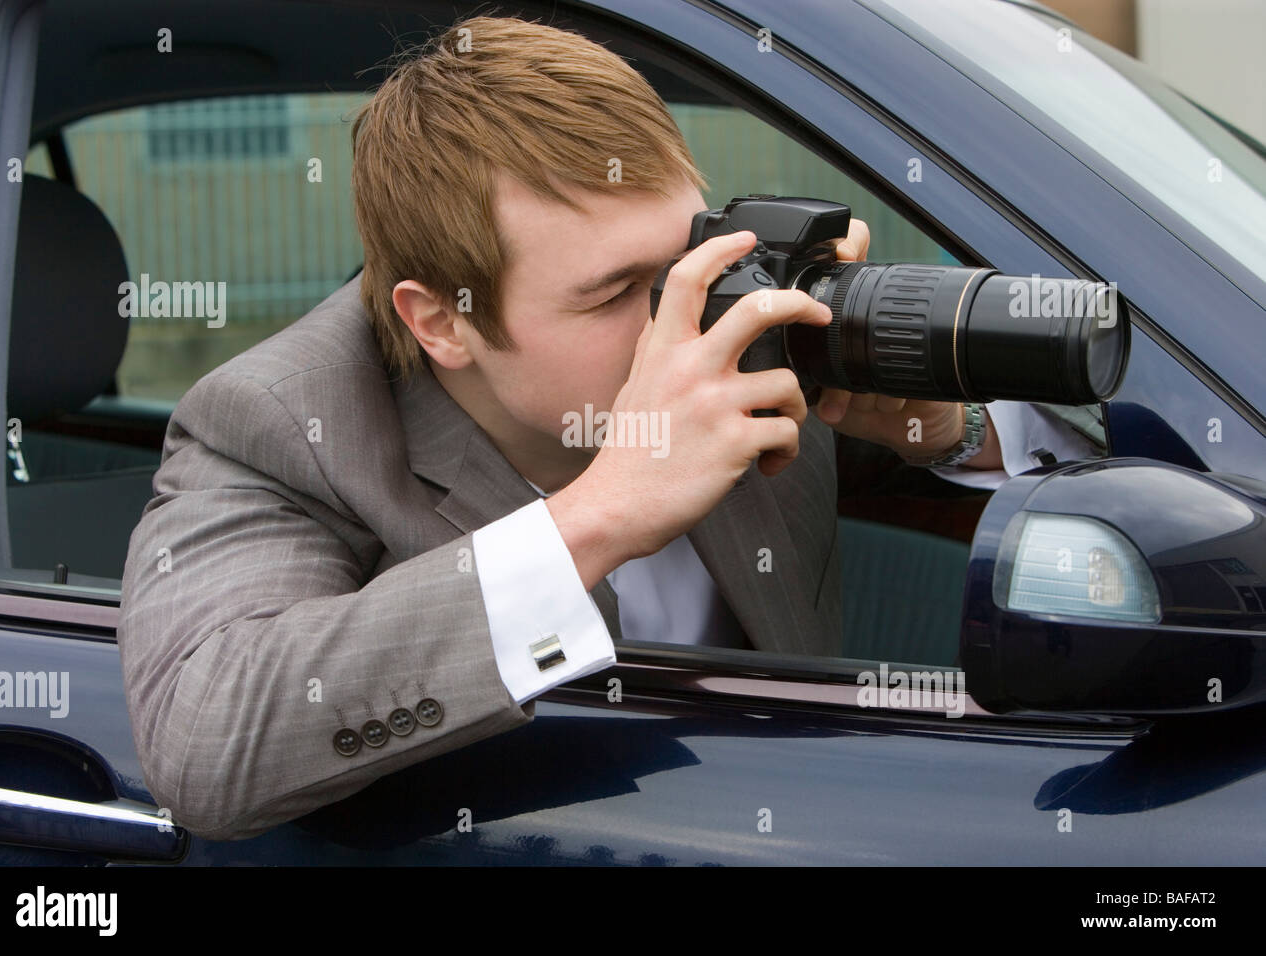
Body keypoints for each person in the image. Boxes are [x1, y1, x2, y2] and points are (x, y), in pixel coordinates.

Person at [117, 15, 1099, 841]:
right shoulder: (283, 424)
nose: (679, 313)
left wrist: (941, 424)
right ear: (442, 320)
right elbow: (206, 738)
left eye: (679, 256)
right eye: (615, 293)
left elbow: (1100, 460)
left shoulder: (727, 319)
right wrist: (601, 512)